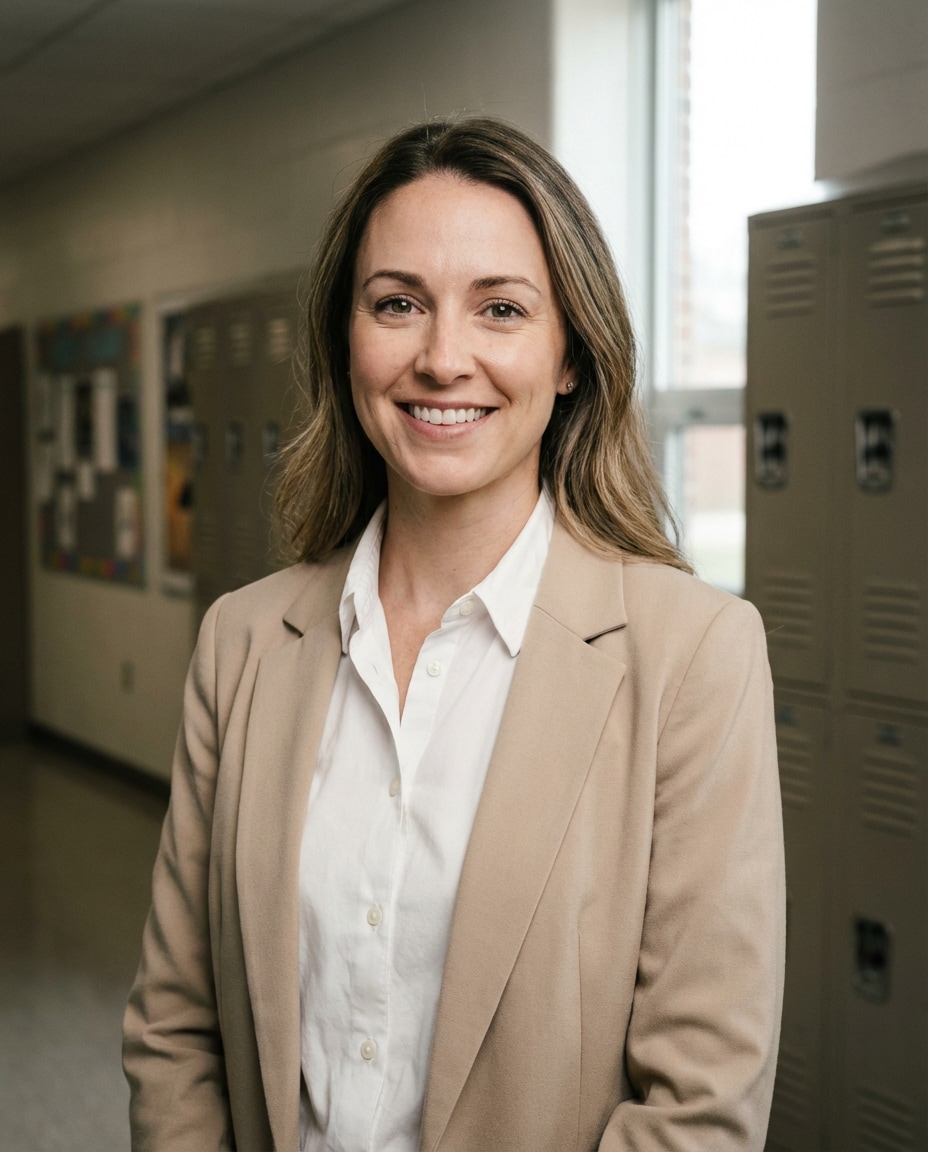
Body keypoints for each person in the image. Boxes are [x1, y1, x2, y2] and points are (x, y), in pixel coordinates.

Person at [123, 116, 784, 1152]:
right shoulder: (244, 643)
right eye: (397, 305)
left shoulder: (692, 656)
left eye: (501, 309)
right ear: (346, 341)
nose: (441, 359)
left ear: (570, 355)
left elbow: (698, 1104)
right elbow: (175, 1028)